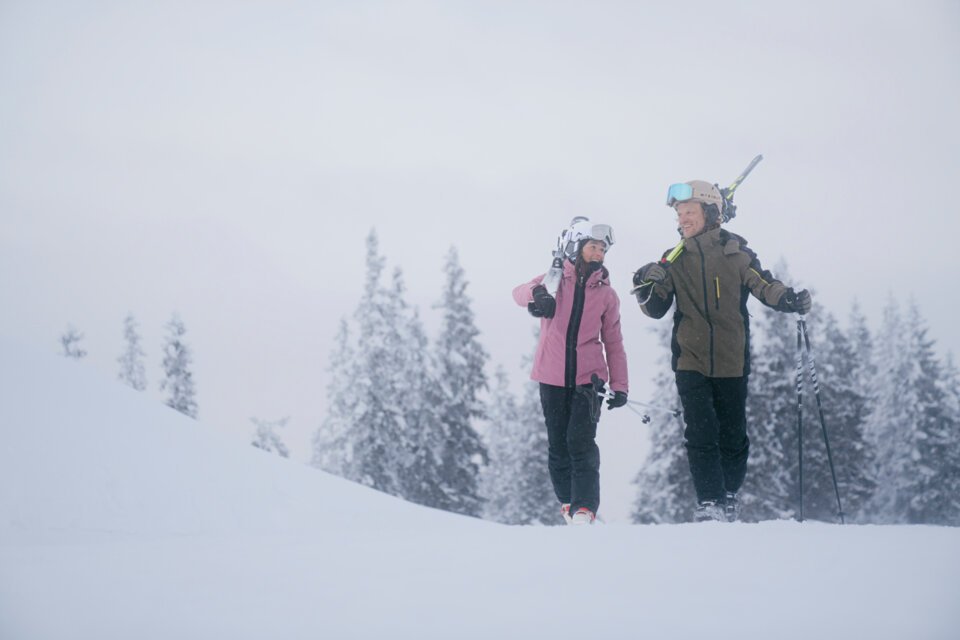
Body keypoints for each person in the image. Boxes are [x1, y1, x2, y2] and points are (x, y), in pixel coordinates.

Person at [632, 181, 811, 522]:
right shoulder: (673, 260)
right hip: (690, 359)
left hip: (731, 359)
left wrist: (789, 299)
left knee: (733, 434)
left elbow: (765, 284)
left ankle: (728, 494)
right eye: (679, 214)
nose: (682, 219)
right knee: (699, 430)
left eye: (689, 212)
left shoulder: (736, 252)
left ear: (710, 213)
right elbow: (655, 308)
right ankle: (710, 502)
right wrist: (644, 283)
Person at [513, 218, 629, 525]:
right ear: (576, 247)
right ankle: (567, 503)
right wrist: (537, 295)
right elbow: (518, 292)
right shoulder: (553, 281)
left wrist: (620, 385)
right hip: (551, 377)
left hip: (588, 381)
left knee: (581, 442)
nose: (599, 254)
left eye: (603, 249)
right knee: (558, 446)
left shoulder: (606, 294)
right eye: (593, 247)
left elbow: (613, 342)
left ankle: (584, 509)